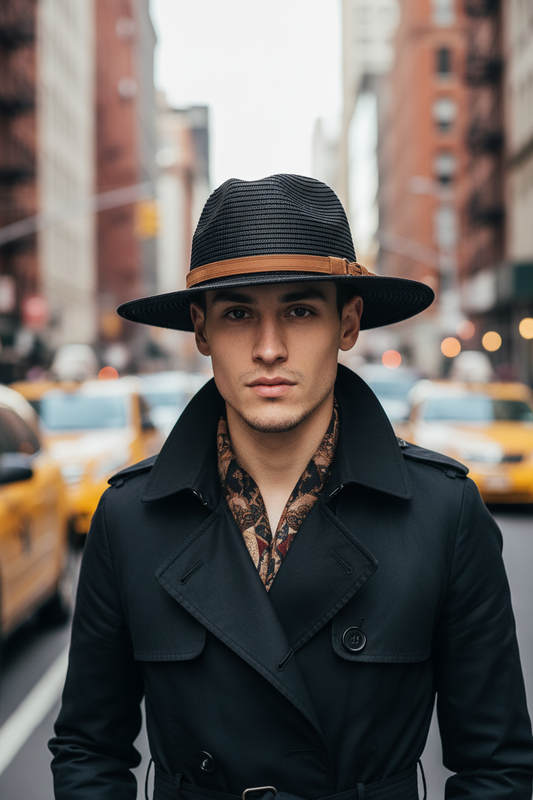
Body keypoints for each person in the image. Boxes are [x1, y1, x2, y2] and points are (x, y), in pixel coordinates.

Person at [49, 175, 533, 800]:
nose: (269, 348)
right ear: (201, 330)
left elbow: (496, 767)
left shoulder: (444, 513)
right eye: (238, 313)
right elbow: (89, 749)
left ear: (348, 322)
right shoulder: (128, 519)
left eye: (300, 310)